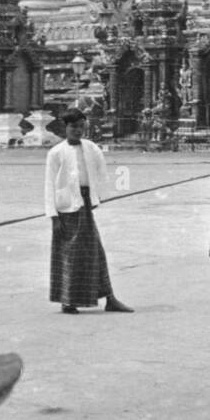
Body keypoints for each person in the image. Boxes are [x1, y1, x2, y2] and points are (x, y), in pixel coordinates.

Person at [45, 108, 133, 315]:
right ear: (64, 128)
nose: (78, 131)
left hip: (85, 203)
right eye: (73, 127)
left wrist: (96, 196)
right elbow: (49, 185)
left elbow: (101, 173)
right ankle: (67, 301)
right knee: (69, 255)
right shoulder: (56, 153)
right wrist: (53, 216)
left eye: (81, 127)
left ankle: (110, 298)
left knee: (95, 252)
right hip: (66, 208)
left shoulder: (91, 148)